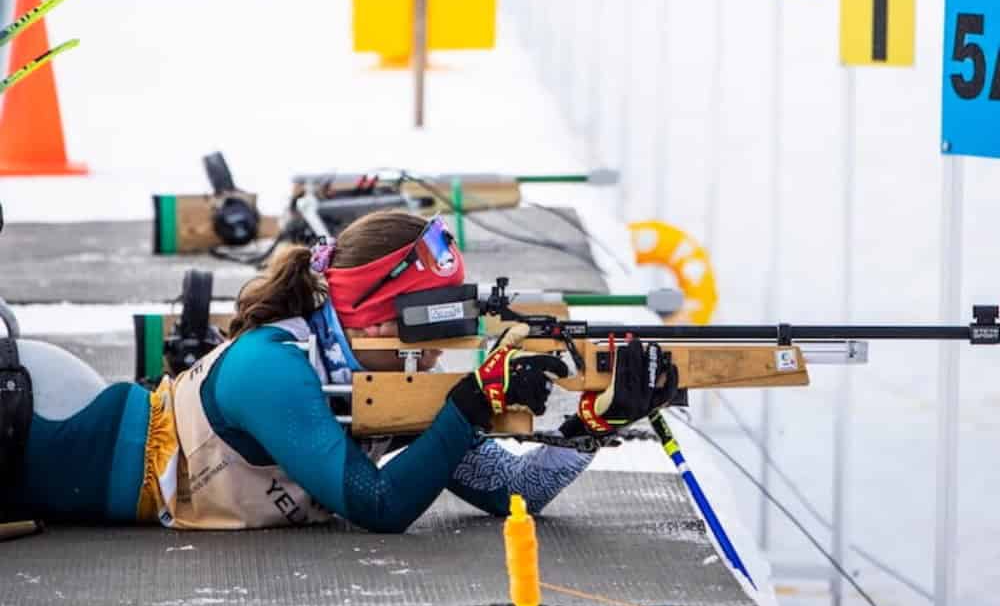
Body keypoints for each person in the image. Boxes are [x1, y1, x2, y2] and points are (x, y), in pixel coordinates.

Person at [0, 211, 672, 532]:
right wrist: (468, 408)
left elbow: (512, 492)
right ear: (375, 322)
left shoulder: (380, 388)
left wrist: (594, 422)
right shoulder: (273, 367)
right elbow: (378, 507)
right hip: (32, 424)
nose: (440, 353)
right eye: (427, 331)